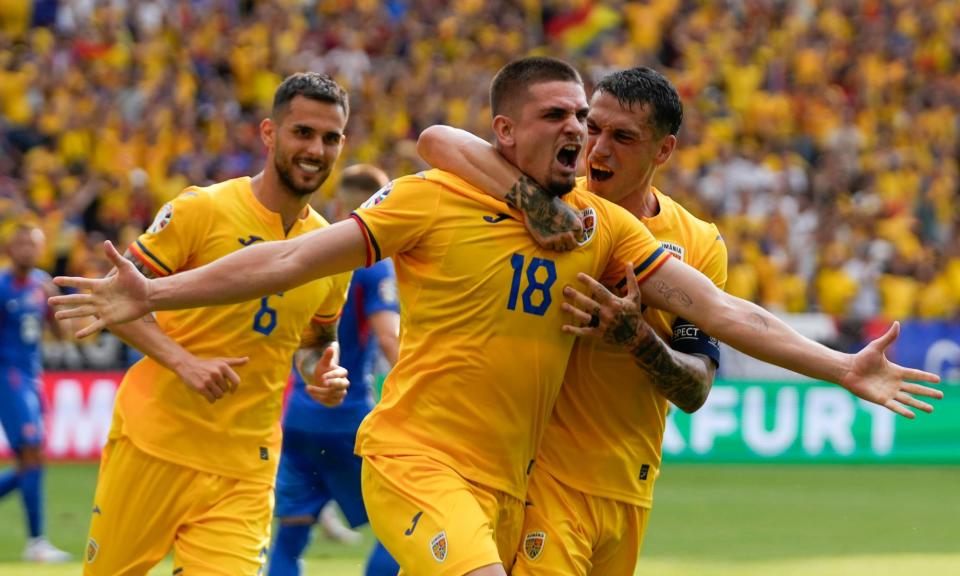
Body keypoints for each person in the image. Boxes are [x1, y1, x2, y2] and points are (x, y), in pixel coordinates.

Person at [51, 57, 942, 576]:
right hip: (410, 457)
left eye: (588, 121)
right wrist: (155, 292)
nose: (581, 137)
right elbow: (289, 256)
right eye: (561, 118)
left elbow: (716, 309)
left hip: (512, 481)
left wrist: (839, 365)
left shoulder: (602, 229)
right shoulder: (432, 201)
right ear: (506, 136)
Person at [417, 66, 723, 574]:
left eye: (623, 137)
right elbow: (438, 141)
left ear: (663, 151)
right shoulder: (547, 201)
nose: (596, 148)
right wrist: (535, 203)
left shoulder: (697, 244)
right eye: (592, 126)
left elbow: (695, 388)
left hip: (628, 490)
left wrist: (637, 337)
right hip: (540, 481)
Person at [74, 72, 354, 575]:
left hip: (246, 468)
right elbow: (116, 303)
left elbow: (315, 340)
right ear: (270, 133)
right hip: (156, 444)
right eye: (303, 132)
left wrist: (320, 373)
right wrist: (184, 362)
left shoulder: (331, 250)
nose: (316, 149)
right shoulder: (201, 209)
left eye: (329, 138)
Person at [269, 164, 400, 576]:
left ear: (340, 202)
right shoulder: (371, 260)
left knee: (289, 537)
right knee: (400, 524)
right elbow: (387, 337)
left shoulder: (305, 247)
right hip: (347, 414)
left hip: (299, 413)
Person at [0, 223, 72, 563]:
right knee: (31, 456)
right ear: (10, 249)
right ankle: (36, 543)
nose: (27, 249)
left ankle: (37, 542)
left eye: (33, 243)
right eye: (21, 243)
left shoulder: (41, 284)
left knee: (33, 460)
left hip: (32, 377)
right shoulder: (2, 286)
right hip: (7, 377)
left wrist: (54, 309)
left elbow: (61, 334)